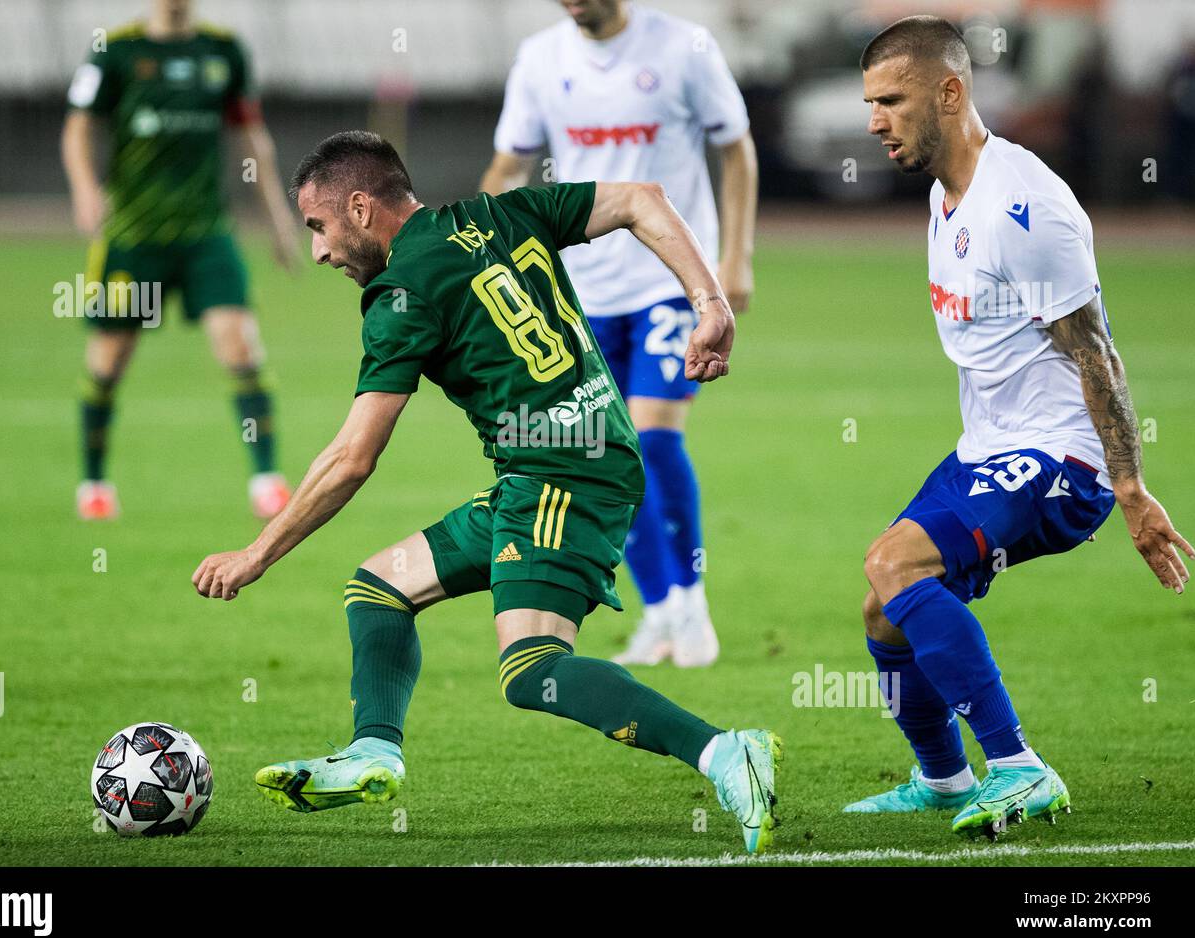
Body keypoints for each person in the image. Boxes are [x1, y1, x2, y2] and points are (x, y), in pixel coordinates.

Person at [192, 131, 780, 853]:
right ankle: (375, 749)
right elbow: (642, 200)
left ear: (360, 206)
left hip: (563, 478)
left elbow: (351, 458)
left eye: (319, 227)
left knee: (533, 671)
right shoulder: (499, 214)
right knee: (378, 588)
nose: (317, 250)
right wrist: (709, 300)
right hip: (558, 464)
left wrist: (257, 553)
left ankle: (726, 752)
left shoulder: (401, 295)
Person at [850, 16, 1194, 837]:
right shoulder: (945, 193)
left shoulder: (1025, 207)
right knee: (883, 609)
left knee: (894, 562)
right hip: (992, 447)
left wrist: (1132, 489)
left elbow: (1097, 356)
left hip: (1060, 460)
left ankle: (1018, 767)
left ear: (951, 91)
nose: (874, 121)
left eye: (892, 100)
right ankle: (942, 778)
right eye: (871, 103)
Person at [480, 0, 759, 667]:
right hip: (581, 290)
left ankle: (691, 603)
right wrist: (481, 220)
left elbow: (737, 151)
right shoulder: (540, 59)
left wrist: (734, 257)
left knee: (655, 437)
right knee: (603, 452)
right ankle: (659, 610)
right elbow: (509, 164)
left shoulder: (684, 47)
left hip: (668, 278)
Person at [62, 0, 295, 520]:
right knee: (108, 363)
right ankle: (94, 483)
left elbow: (251, 137)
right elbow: (78, 126)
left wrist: (278, 217)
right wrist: (83, 190)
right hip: (133, 237)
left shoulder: (223, 51)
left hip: (205, 233)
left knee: (242, 349)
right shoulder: (115, 50)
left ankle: (267, 479)